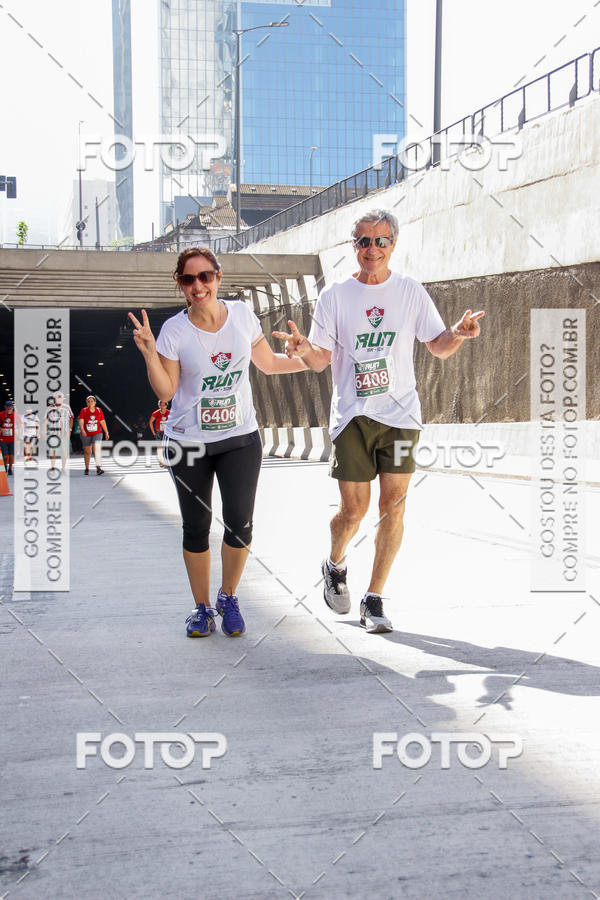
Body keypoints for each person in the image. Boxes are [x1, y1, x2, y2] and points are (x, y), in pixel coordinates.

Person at [274, 209, 484, 634]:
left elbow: (438, 346)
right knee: (354, 511)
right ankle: (335, 563)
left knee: (393, 506)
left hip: (401, 417)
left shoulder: (409, 291)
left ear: (394, 244)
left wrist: (459, 333)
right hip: (352, 415)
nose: (372, 249)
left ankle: (374, 598)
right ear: (354, 246)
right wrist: (303, 349)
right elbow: (320, 360)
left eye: (381, 241)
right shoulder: (335, 296)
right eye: (364, 241)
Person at [128, 246, 307, 639]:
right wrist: (149, 353)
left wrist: (310, 359)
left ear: (218, 278)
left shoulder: (242, 315)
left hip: (239, 438)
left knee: (240, 522)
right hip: (188, 443)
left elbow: (269, 364)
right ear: (180, 284)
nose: (198, 285)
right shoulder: (174, 331)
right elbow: (166, 390)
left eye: (205, 276)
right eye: (188, 279)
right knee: (196, 526)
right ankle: (202, 608)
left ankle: (228, 597)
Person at [78, 395, 109, 475]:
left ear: (95, 402)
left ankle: (98, 468)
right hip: (86, 434)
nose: (90, 403)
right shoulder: (84, 410)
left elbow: (102, 421)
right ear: (86, 403)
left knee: (96, 449)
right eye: (88, 401)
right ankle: (87, 468)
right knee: (87, 451)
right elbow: (81, 421)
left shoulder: (98, 410)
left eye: (92, 401)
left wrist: (106, 432)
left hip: (97, 433)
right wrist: (82, 430)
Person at [44, 391, 73, 471]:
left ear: (63, 399)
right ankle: (53, 467)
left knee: (64, 452)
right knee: (53, 451)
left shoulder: (67, 407)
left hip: (64, 433)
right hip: (53, 433)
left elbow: (71, 418)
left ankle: (63, 468)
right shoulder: (49, 408)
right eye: (57, 397)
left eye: (60, 397)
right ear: (54, 399)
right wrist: (44, 431)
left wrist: (69, 430)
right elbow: (46, 420)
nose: (59, 399)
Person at [149, 399, 170, 467]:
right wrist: (153, 433)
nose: (162, 406)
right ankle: (161, 461)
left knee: (166, 447)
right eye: (161, 404)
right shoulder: (156, 413)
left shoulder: (169, 413)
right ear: (159, 405)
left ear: (166, 405)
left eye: (164, 404)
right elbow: (150, 422)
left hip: (166, 432)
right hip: (158, 432)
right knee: (159, 447)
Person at [0, 400, 17, 475]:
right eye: (8, 408)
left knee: (11, 455)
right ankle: (5, 466)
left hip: (12, 438)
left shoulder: (15, 415)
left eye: (11, 408)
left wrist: (19, 433)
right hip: (3, 438)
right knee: (5, 455)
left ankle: (10, 468)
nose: (10, 409)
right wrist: (0, 429)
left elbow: (20, 425)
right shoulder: (1, 414)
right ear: (5, 407)